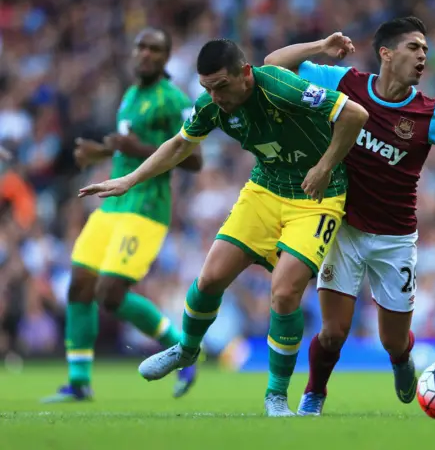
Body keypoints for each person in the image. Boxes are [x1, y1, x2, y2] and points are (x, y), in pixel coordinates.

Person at [78, 38, 369, 416]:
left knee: (283, 294)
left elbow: (354, 115)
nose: (214, 96)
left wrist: (325, 165)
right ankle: (186, 349)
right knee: (211, 278)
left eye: (221, 86)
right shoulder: (211, 106)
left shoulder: (281, 87)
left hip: (318, 196)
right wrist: (128, 180)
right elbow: (180, 145)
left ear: (245, 74)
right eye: (207, 88)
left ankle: (276, 396)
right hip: (265, 189)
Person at [264, 16, 435, 415]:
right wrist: (321, 45)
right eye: (414, 47)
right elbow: (273, 64)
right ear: (386, 54)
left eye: (426, 49)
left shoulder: (431, 114)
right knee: (334, 332)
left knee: (393, 340)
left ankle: (401, 360)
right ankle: (314, 394)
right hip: (344, 228)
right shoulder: (345, 83)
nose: (423, 55)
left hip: (395, 237)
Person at [42, 27, 203, 403]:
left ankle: (182, 347)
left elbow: (194, 159)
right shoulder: (130, 96)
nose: (145, 54)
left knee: (110, 293)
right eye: (141, 47)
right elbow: (125, 151)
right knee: (79, 285)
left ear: (165, 58)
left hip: (146, 208)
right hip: (113, 202)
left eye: (154, 49)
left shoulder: (172, 99)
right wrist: (98, 154)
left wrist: (137, 145)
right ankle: (79, 381)